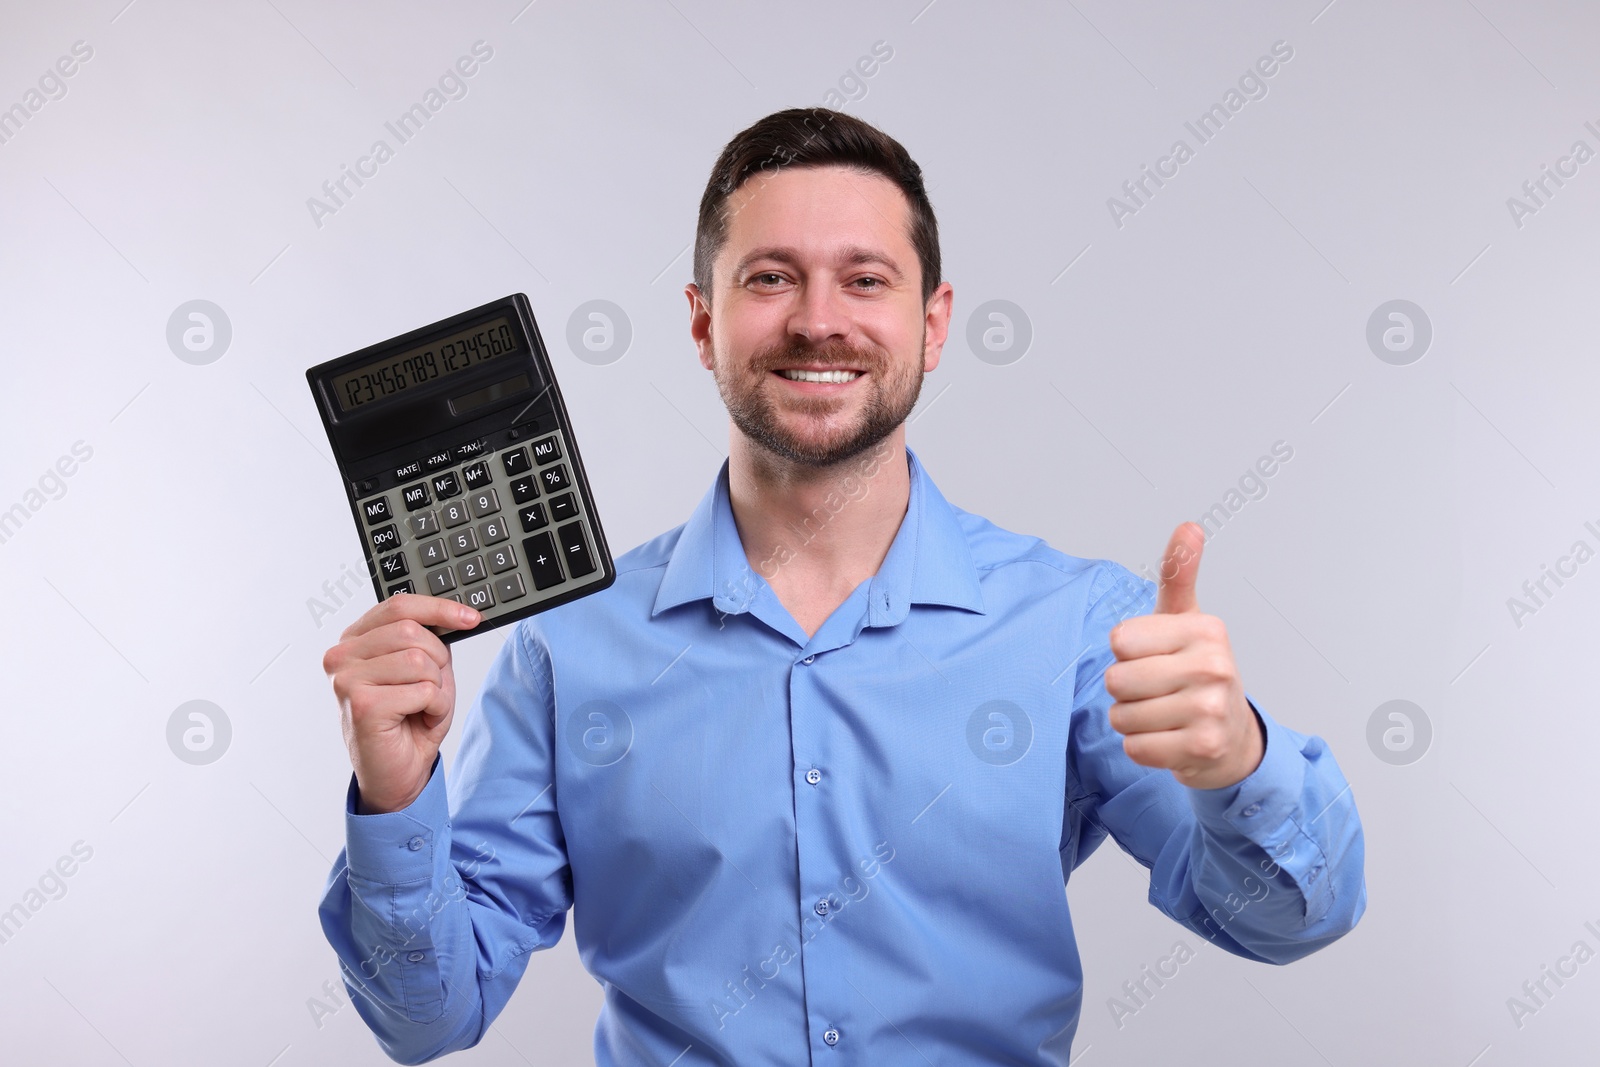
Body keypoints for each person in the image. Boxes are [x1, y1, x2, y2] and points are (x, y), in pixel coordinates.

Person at [317, 107, 1365, 1065]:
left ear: (935, 321)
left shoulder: (1078, 626)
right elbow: (429, 1015)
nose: (820, 320)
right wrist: (396, 794)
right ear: (701, 322)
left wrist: (1240, 762)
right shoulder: (570, 646)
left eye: (865, 279)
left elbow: (1287, 921)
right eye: (769, 277)